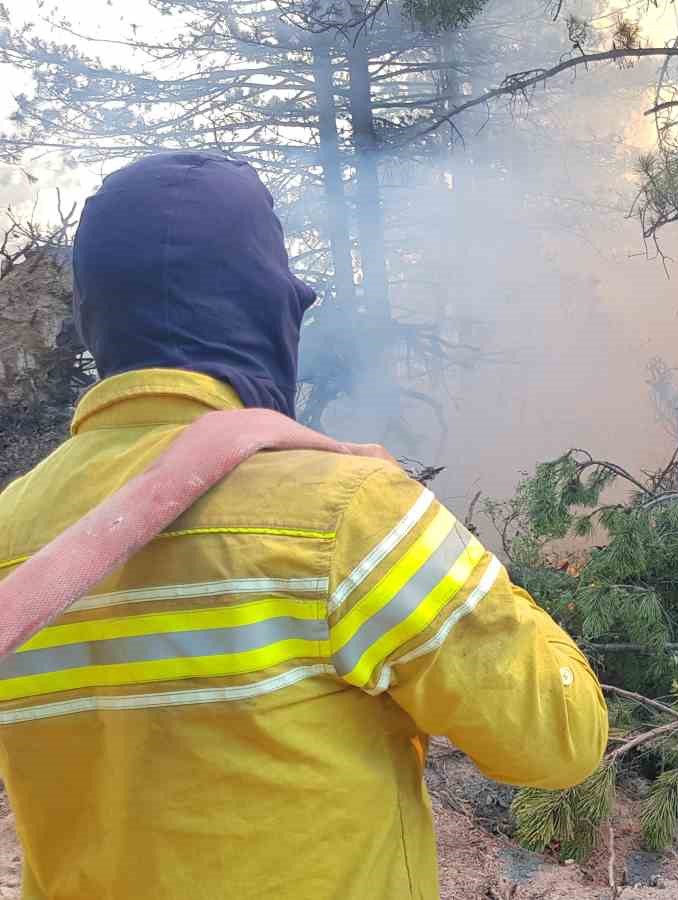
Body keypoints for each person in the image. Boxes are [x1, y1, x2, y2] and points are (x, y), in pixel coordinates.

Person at [0, 151, 608, 899]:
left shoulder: (13, 532)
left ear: (97, 321)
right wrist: (466, 569)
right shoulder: (346, 512)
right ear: (263, 309)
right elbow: (558, 738)